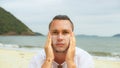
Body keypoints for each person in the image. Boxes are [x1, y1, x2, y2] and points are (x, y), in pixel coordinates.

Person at [29, 15, 94, 68]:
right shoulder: (37, 58)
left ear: (72, 36)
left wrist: (70, 61)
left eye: (65, 32)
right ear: (49, 35)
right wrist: (48, 60)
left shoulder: (84, 58)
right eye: (55, 32)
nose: (60, 38)